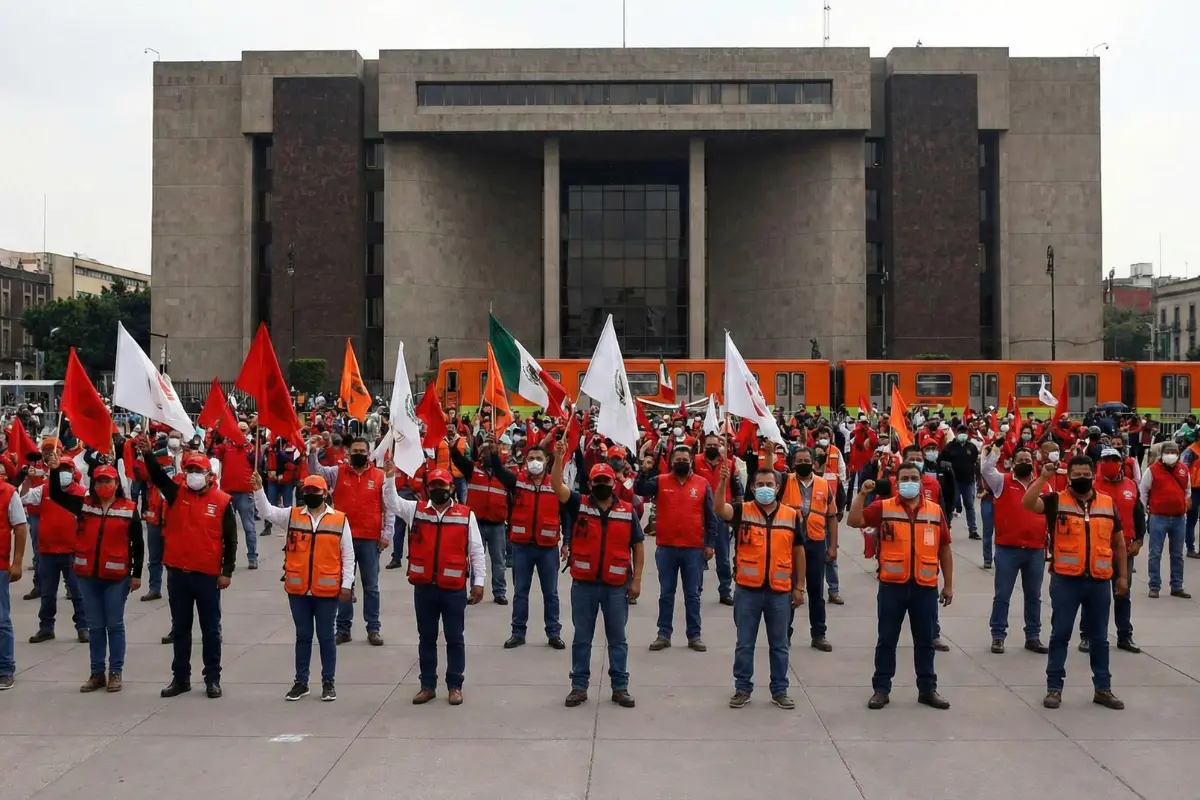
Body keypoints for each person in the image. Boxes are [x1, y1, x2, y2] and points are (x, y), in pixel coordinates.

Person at [1022, 455, 1128, 710]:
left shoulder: (1107, 503)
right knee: (1060, 635)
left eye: (1086, 474)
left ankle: (1103, 688)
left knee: (1100, 639)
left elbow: (1119, 543)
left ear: (1094, 474)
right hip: (1066, 582)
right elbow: (1027, 503)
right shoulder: (1056, 500)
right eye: (1077, 475)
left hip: (1099, 583)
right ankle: (1054, 689)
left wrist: (1123, 576)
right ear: (1068, 476)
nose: (1082, 479)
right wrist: (1044, 477)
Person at [848, 464, 954, 711]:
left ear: (921, 481)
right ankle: (881, 689)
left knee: (925, 642)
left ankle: (927, 689)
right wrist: (863, 494)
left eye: (913, 478)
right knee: (887, 640)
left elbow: (945, 549)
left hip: (925, 587)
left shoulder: (935, 511)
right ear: (896, 483)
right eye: (904, 478)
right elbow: (854, 520)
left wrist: (948, 585)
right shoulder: (884, 507)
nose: (909, 482)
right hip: (892, 587)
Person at [550, 441, 643, 708]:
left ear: (614, 483)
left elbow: (638, 545)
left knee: (618, 639)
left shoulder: (627, 511)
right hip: (584, 586)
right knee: (582, 638)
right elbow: (557, 486)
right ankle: (578, 686)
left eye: (606, 480)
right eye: (597, 480)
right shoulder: (578, 504)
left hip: (616, 587)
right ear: (590, 484)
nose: (602, 484)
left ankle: (620, 687)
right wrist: (558, 459)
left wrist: (636, 580)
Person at [382, 466, 485, 705]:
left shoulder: (465, 514)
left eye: (443, 485)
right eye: (434, 486)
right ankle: (427, 685)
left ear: (451, 487)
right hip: (425, 588)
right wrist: (389, 477)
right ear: (428, 489)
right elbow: (391, 502)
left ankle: (455, 686)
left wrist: (478, 582)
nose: (438, 489)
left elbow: (477, 551)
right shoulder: (416, 511)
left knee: (454, 638)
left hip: (453, 588)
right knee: (426, 638)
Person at [141, 441, 237, 699]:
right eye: (190, 469)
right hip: (178, 573)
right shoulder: (176, 493)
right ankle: (181, 678)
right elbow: (158, 477)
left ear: (210, 475)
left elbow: (230, 539)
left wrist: (227, 570)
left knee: (211, 629)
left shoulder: (222, 501)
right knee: (181, 628)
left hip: (206, 575)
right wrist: (148, 454)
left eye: (198, 470)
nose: (194, 474)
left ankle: (212, 678)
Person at [252, 472, 354, 702]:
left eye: (314, 492)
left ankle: (328, 682)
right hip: (298, 589)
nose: (310, 495)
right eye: (306, 491)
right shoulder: (292, 515)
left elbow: (348, 554)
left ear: (325, 493)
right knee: (303, 636)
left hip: (327, 590)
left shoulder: (339, 519)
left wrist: (347, 584)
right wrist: (258, 490)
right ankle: (301, 682)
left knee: (327, 637)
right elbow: (267, 511)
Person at [44, 457, 143, 692]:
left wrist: (136, 574)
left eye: (107, 481)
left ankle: (115, 672)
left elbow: (138, 544)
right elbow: (57, 495)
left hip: (117, 578)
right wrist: (54, 471)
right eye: (99, 481)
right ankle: (97, 673)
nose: (102, 485)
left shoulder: (129, 509)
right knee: (96, 626)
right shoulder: (84, 505)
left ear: (117, 483)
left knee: (115, 625)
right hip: (87, 576)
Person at [715, 461, 805, 709]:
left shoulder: (790, 515)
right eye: (760, 485)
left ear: (778, 488)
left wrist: (800, 586)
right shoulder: (742, 511)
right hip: (748, 590)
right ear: (752, 488)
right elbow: (719, 509)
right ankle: (742, 688)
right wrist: (722, 481)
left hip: (780, 591)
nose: (765, 488)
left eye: (770, 485)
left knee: (780, 645)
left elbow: (799, 551)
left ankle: (780, 690)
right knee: (745, 643)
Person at [306, 436, 393, 646]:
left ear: (369, 453)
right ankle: (344, 629)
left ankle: (373, 629)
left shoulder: (380, 476)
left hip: (371, 540)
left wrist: (386, 534)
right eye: (355, 451)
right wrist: (312, 452)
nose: (359, 454)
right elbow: (315, 473)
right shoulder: (338, 472)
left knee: (371, 586)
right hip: (342, 538)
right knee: (344, 585)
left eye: (363, 451)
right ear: (348, 452)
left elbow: (388, 506)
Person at [635, 444, 718, 652]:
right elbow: (640, 490)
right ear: (671, 461)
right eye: (677, 459)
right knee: (666, 594)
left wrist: (710, 544)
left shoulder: (702, 484)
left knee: (692, 594)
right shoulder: (660, 481)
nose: (681, 462)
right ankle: (664, 634)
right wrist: (643, 469)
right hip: (667, 548)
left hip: (693, 549)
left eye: (685, 459)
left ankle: (694, 635)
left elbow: (711, 517)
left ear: (691, 461)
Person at [486, 442, 564, 650]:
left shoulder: (555, 484)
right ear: (525, 461)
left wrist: (569, 541)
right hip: (521, 547)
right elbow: (500, 473)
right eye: (531, 459)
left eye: (539, 458)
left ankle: (554, 633)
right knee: (521, 592)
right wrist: (494, 456)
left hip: (548, 547)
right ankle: (518, 633)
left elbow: (566, 513)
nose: (535, 462)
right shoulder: (517, 482)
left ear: (547, 461)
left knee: (551, 593)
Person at [981, 445, 1048, 654]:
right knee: (1002, 595)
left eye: (1028, 460)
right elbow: (985, 469)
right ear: (1012, 462)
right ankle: (998, 636)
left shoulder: (1044, 486)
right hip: (1007, 549)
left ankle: (1033, 637)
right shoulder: (1001, 481)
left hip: (1036, 550)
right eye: (1020, 460)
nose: (1025, 463)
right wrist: (996, 449)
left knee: (1034, 596)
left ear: (1034, 462)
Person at [775, 446, 837, 651]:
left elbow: (832, 517)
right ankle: (785, 633)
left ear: (814, 462)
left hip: (816, 543)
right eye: (799, 460)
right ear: (793, 463)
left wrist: (833, 546)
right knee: (788, 590)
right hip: (789, 544)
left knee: (816, 592)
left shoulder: (823, 484)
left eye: (806, 460)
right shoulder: (784, 482)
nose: (803, 463)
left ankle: (819, 634)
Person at [1084, 447, 1145, 654]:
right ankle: (1087, 636)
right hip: (1097, 550)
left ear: (1121, 462)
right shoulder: (1091, 485)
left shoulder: (1131, 486)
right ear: (1100, 462)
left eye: (1114, 459)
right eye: (1106, 459)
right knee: (1092, 595)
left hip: (1124, 550)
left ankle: (1124, 635)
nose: (1110, 462)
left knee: (1122, 593)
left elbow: (1139, 515)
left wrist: (1139, 540)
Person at [22, 456, 88, 644]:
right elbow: (24, 497)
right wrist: (27, 480)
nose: (64, 472)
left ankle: (83, 627)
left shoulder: (83, 493)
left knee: (77, 593)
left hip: (73, 552)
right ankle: (46, 628)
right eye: (61, 468)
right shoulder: (44, 489)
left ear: (73, 472)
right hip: (48, 551)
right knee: (48, 594)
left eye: (67, 469)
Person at [449, 438, 510, 605]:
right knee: (476, 558)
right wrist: (453, 447)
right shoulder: (472, 469)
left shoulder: (503, 474)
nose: (487, 454)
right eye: (484, 451)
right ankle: (474, 591)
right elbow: (457, 459)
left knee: (499, 561)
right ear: (479, 455)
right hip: (476, 524)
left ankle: (499, 592)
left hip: (497, 524)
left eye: (490, 451)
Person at [1139, 440, 1191, 599]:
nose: (1171, 455)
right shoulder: (1152, 470)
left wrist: (1184, 507)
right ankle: (1154, 585)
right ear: (1162, 454)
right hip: (1158, 517)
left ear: (1178, 454)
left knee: (1177, 554)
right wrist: (1145, 513)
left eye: (1174, 452)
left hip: (1178, 518)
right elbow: (1143, 492)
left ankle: (1177, 586)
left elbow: (1187, 491)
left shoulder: (1184, 470)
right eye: (1168, 452)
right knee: (1155, 553)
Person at [693, 432, 739, 606]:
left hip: (721, 515)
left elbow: (737, 489)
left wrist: (737, 517)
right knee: (698, 556)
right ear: (704, 446)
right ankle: (696, 590)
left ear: (721, 446)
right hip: (699, 515)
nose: (712, 447)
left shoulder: (729, 464)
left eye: (715, 445)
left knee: (723, 557)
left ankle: (725, 591)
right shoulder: (696, 461)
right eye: (709, 445)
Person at [212, 424, 259, 569]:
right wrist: (215, 433)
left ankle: (252, 557)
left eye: (244, 431)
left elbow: (259, 462)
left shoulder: (251, 449)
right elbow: (212, 450)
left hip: (245, 493)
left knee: (249, 527)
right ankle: (222, 558)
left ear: (248, 432)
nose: (241, 433)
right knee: (224, 528)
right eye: (238, 430)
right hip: (227, 494)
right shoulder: (225, 447)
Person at [0, 470, 29, 690]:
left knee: (1, 620)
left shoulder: (8, 493)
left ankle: (5, 669)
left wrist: (17, 562)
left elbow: (20, 528)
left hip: (0, 566)